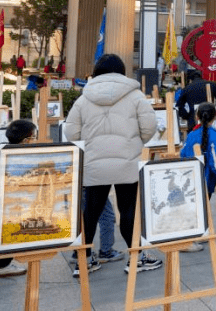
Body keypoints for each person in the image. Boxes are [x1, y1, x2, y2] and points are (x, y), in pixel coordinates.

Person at [62, 54, 161, 276]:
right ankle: (137, 257)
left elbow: (71, 132)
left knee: (91, 212)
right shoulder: (135, 96)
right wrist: (135, 143)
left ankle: (83, 260)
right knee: (128, 211)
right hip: (127, 163)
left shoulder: (83, 98)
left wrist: (89, 145)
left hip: (94, 163)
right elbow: (149, 126)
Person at [180, 103, 216, 251]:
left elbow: (183, 155)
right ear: (215, 117)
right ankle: (188, 239)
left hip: (190, 178)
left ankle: (198, 232)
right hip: (207, 180)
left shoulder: (192, 135)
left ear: (197, 117)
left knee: (195, 206)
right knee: (200, 205)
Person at [0, 120, 39, 277]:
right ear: (26, 139)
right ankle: (1, 265)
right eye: (34, 137)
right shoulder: (19, 157)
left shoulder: (1, 149)